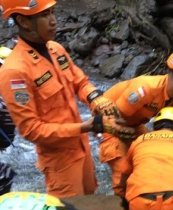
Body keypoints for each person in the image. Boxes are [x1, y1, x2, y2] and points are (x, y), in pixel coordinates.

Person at [0, 0, 134, 198]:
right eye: (45, 15)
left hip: (81, 148)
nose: (53, 21)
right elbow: (32, 130)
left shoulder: (55, 49)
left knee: (91, 200)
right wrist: (87, 127)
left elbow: (80, 82)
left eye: (53, 12)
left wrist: (96, 98)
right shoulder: (15, 71)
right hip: (59, 162)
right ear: (24, 22)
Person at [99, 46, 173, 197]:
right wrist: (131, 137)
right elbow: (112, 119)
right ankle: (122, 206)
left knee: (152, 158)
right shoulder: (145, 89)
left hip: (134, 125)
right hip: (110, 126)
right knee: (123, 172)